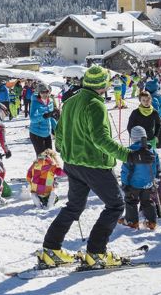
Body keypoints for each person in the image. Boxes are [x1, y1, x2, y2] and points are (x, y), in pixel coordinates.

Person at [38, 65, 155, 269]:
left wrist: (67, 153)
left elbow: (59, 135)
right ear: (103, 85)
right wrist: (130, 155)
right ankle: (96, 253)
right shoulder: (95, 104)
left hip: (73, 164)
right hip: (93, 165)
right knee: (116, 205)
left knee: (74, 206)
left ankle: (51, 249)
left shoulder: (71, 101)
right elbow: (101, 139)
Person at [118, 126, 160, 230]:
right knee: (147, 201)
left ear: (133, 138)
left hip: (133, 184)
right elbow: (157, 165)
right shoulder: (152, 150)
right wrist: (156, 176)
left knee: (131, 201)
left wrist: (124, 183)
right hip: (148, 183)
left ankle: (132, 222)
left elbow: (126, 169)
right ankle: (152, 222)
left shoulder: (130, 152)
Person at [29, 83, 59, 156]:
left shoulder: (50, 102)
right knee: (41, 159)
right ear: (39, 93)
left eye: (46, 92)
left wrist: (57, 130)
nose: (45, 94)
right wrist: (44, 116)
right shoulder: (35, 102)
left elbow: (51, 118)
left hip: (47, 133)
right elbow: (33, 118)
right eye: (42, 92)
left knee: (50, 157)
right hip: (36, 134)